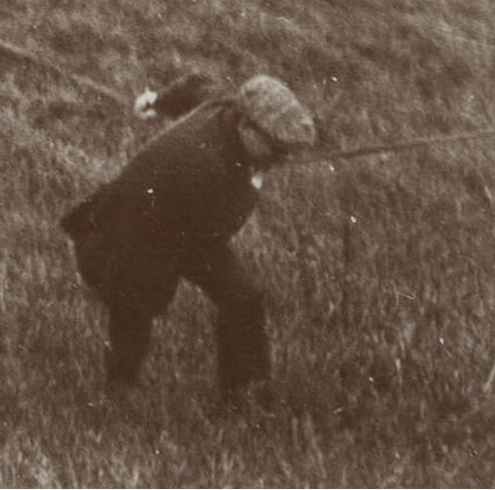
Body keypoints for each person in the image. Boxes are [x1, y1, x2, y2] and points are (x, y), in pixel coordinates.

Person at [60, 73, 318, 398]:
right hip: (139, 225)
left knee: (243, 296)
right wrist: (254, 178)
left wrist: (156, 102)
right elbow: (221, 227)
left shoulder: (229, 105)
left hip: (187, 222)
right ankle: (120, 385)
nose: (281, 158)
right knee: (135, 303)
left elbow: (194, 85)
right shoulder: (206, 165)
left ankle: (244, 388)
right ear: (246, 127)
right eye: (276, 149)